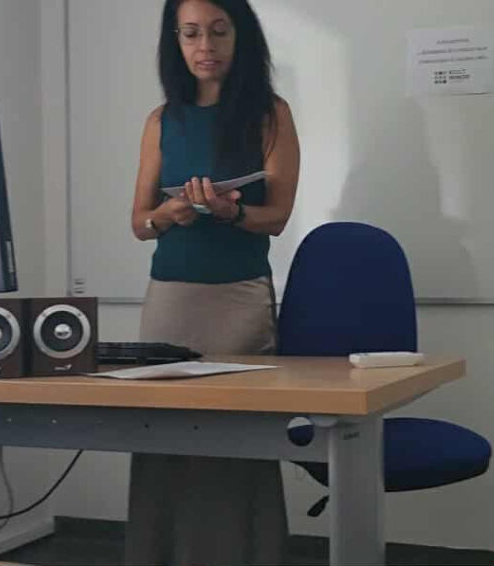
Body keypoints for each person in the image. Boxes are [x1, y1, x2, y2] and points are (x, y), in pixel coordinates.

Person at [127, 0, 300, 563]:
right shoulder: (161, 120)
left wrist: (231, 213)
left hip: (238, 299)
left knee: (232, 436)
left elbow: (277, 217)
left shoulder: (270, 114)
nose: (206, 46)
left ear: (240, 37)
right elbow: (139, 223)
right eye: (192, 33)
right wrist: (168, 214)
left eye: (220, 32)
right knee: (162, 436)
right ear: (175, 42)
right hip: (169, 301)